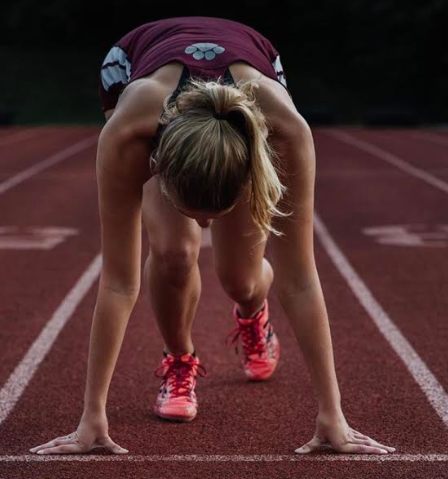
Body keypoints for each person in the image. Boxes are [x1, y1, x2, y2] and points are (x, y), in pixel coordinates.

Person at [30, 16, 396, 456]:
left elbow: (299, 278)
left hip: (249, 78)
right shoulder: (129, 131)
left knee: (240, 278)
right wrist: (91, 418)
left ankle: (251, 309)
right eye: (193, 211)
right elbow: (118, 281)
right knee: (173, 253)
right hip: (133, 67)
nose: (205, 227)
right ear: (158, 168)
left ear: (247, 177)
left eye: (215, 214)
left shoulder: (287, 129)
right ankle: (180, 359)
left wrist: (333, 415)